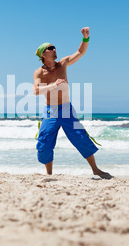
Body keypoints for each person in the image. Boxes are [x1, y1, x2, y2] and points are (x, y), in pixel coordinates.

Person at [33, 27, 113, 179]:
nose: (54, 49)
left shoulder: (62, 64)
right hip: (50, 111)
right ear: (44, 54)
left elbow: (80, 52)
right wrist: (54, 85)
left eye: (54, 47)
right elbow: (36, 91)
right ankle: (49, 174)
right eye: (50, 48)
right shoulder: (39, 72)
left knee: (80, 137)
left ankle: (95, 169)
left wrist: (85, 38)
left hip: (66, 109)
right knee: (44, 141)